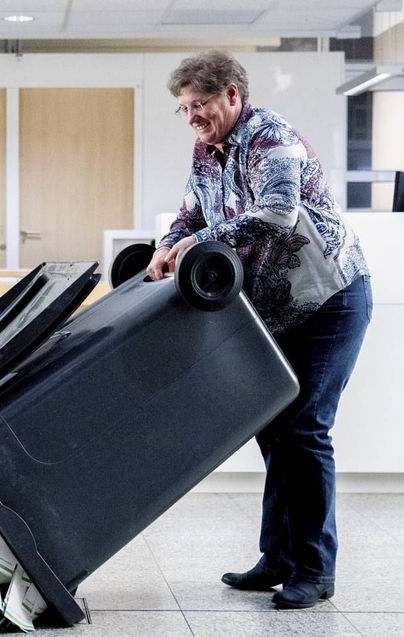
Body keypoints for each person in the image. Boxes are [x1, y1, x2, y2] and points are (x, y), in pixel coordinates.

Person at [147, 50, 371, 609]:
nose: (193, 117)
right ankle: (279, 559)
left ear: (232, 95)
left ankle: (316, 572)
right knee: (272, 429)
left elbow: (277, 211)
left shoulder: (272, 138)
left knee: (304, 430)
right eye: (185, 109)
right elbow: (191, 213)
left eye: (201, 105)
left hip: (328, 301)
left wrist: (196, 243)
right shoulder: (206, 150)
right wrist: (167, 244)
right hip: (273, 308)